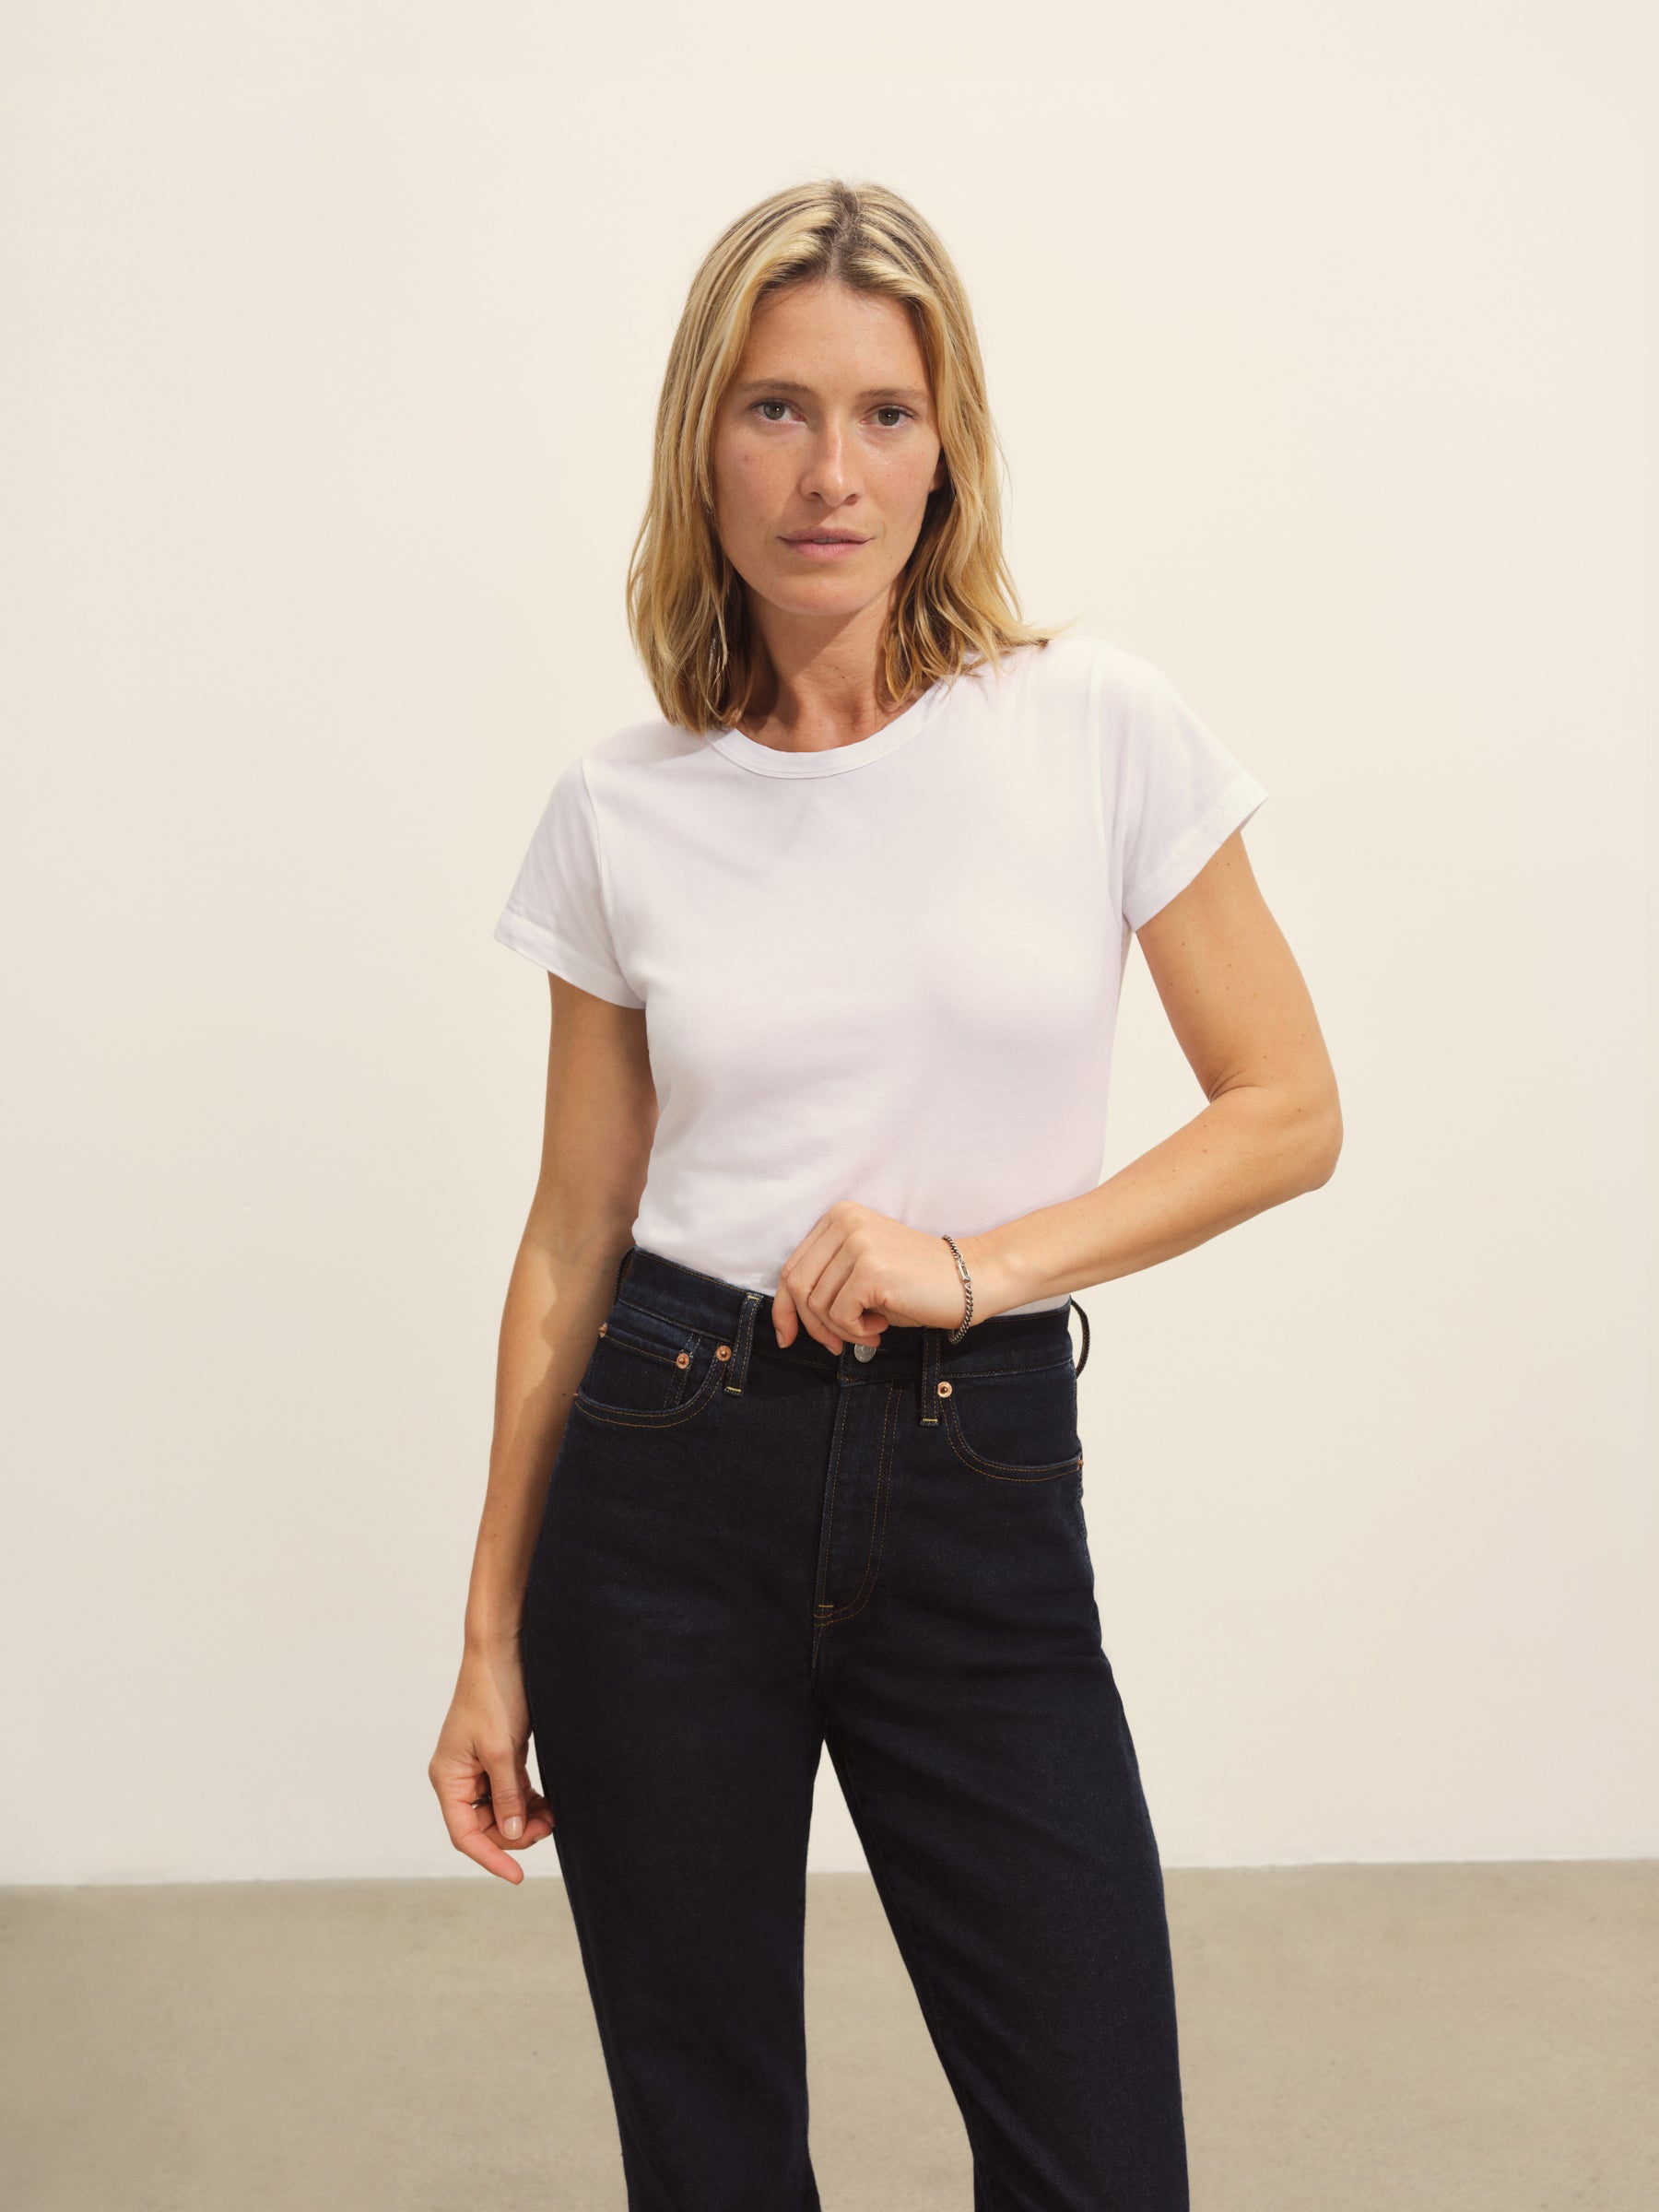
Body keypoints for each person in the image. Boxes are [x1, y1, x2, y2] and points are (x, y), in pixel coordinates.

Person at [429, 177, 1341, 2212]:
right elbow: (573, 1234)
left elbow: (1289, 1107)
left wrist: (974, 1263)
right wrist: (488, 1635)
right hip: (662, 1491)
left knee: (1101, 2166)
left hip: (978, 1476)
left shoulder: (1093, 726)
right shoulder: (623, 806)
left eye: (883, 414)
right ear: (704, 442)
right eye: (775, 409)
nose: (829, 472)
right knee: (714, 2165)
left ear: (949, 448)